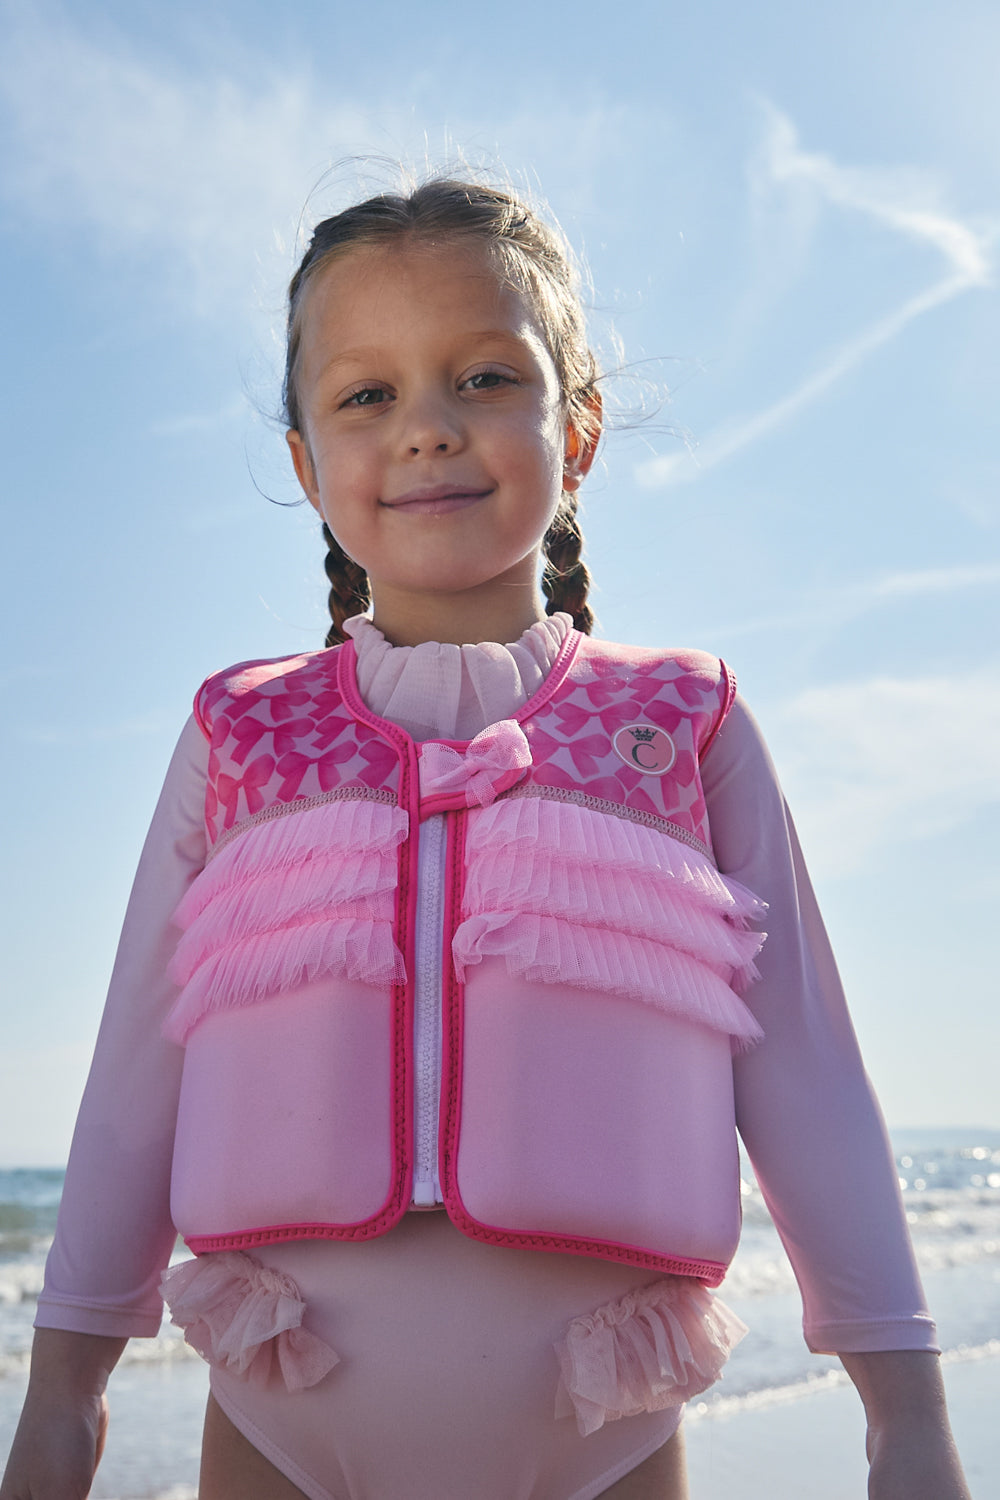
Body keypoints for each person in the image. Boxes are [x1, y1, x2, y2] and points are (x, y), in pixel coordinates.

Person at [1, 177, 972, 1500]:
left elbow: (809, 1078)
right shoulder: (239, 735)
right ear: (304, 463)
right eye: (366, 396)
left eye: (482, 378)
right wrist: (65, 1396)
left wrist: (904, 1411)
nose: (426, 431)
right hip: (282, 1412)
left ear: (576, 436)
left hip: (600, 1411)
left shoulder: (683, 725)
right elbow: (133, 1080)